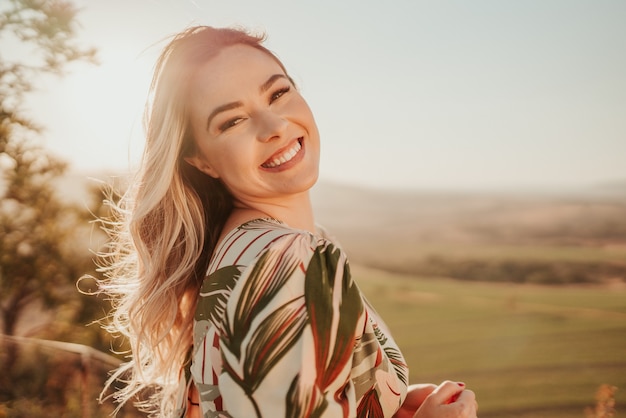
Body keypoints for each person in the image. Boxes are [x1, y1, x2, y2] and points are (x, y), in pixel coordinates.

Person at [97, 25, 478, 418]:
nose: (275, 126)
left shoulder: (239, 250)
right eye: (232, 121)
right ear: (201, 160)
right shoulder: (288, 262)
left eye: (278, 93)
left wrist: (377, 399)